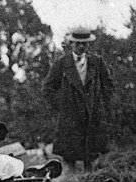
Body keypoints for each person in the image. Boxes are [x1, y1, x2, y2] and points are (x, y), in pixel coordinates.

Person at [43, 27, 113, 171]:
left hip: (92, 117)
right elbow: (48, 89)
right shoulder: (62, 63)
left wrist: (102, 107)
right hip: (70, 119)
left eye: (84, 44)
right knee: (70, 158)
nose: (81, 46)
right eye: (78, 43)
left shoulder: (97, 62)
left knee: (92, 157)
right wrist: (63, 107)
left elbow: (108, 86)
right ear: (71, 44)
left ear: (88, 45)